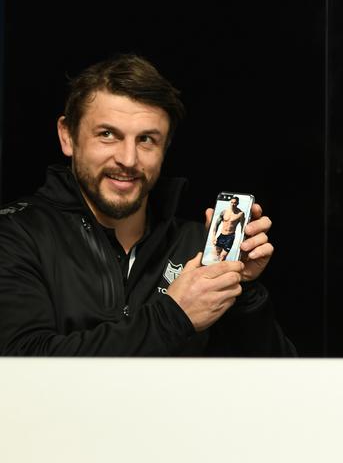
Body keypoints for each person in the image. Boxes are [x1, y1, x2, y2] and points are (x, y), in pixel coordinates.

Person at [0, 54, 296, 356]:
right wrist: (174, 317)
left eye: (146, 140)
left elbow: (277, 385)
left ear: (165, 148)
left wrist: (242, 290)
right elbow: (21, 364)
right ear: (68, 136)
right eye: (107, 135)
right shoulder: (16, 235)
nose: (128, 159)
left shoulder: (197, 249)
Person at [212, 196, 246, 261]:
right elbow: (216, 225)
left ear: (238, 203)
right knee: (216, 256)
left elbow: (242, 227)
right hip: (221, 235)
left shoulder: (240, 214)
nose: (233, 204)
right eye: (231, 202)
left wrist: (242, 240)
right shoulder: (224, 212)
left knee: (223, 256)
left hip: (230, 237)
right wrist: (213, 236)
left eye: (235, 203)